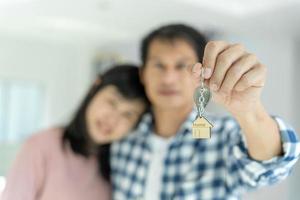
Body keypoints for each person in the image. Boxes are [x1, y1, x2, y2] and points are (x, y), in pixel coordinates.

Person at [110, 24, 300, 199]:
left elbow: (271, 167)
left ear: (200, 71)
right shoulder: (122, 137)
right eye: (159, 65)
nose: (168, 78)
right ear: (143, 74)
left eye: (181, 65)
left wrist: (249, 111)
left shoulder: (224, 135)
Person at [1, 64, 149, 200]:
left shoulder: (121, 165)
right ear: (94, 87)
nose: (113, 119)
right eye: (112, 102)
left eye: (129, 114)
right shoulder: (42, 146)